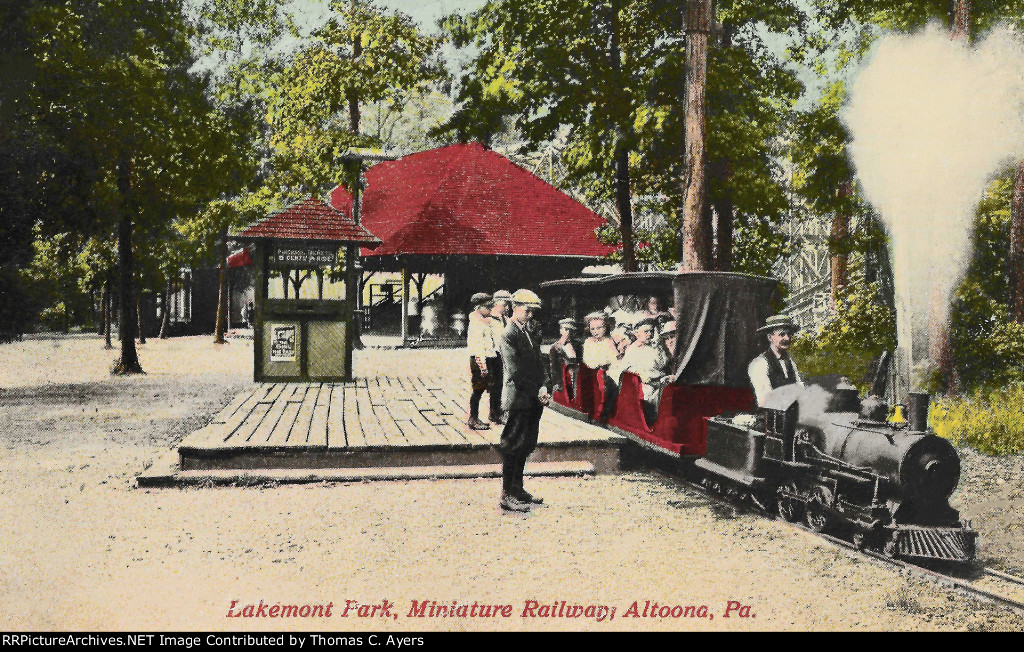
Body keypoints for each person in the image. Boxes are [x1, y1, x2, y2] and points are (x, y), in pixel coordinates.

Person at [498, 289, 549, 512]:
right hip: (519, 398)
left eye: (532, 311)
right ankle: (507, 493)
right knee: (512, 445)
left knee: (526, 444)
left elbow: (538, 361)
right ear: (514, 307)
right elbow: (515, 372)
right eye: (527, 310)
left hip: (532, 398)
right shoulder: (508, 334)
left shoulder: (527, 331)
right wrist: (537, 390)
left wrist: (544, 384)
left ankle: (518, 489)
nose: (530, 315)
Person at [618, 317, 672, 420]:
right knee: (650, 396)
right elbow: (624, 369)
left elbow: (663, 364)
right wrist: (639, 376)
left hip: (659, 380)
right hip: (643, 383)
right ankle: (652, 421)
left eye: (651, 331)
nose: (649, 334)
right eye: (645, 331)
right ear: (637, 333)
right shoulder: (633, 349)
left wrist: (659, 349)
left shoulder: (655, 348)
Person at [747, 314, 803, 407]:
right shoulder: (760, 364)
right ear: (770, 337)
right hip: (769, 418)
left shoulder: (790, 363)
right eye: (782, 334)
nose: (787, 338)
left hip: (790, 416)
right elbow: (766, 401)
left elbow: (800, 390)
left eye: (789, 334)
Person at [466, 292, 497, 430]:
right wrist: (483, 366)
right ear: (479, 307)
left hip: (485, 359)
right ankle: (473, 418)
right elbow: (477, 347)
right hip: (480, 360)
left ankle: (475, 417)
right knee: (478, 390)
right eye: (487, 307)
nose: (490, 309)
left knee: (482, 388)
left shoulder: (483, 321)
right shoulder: (477, 324)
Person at [488, 289, 513, 424]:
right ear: (497, 304)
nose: (507, 308)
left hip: (504, 355)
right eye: (505, 305)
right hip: (494, 356)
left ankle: (501, 411)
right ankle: (494, 412)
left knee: (505, 384)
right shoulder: (489, 320)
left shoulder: (505, 320)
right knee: (495, 385)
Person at [548, 318, 581, 395]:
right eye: (566, 329)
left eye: (571, 330)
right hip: (563, 382)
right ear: (561, 330)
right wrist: (556, 383)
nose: (568, 332)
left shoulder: (578, 345)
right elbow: (553, 368)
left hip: (577, 380)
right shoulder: (555, 347)